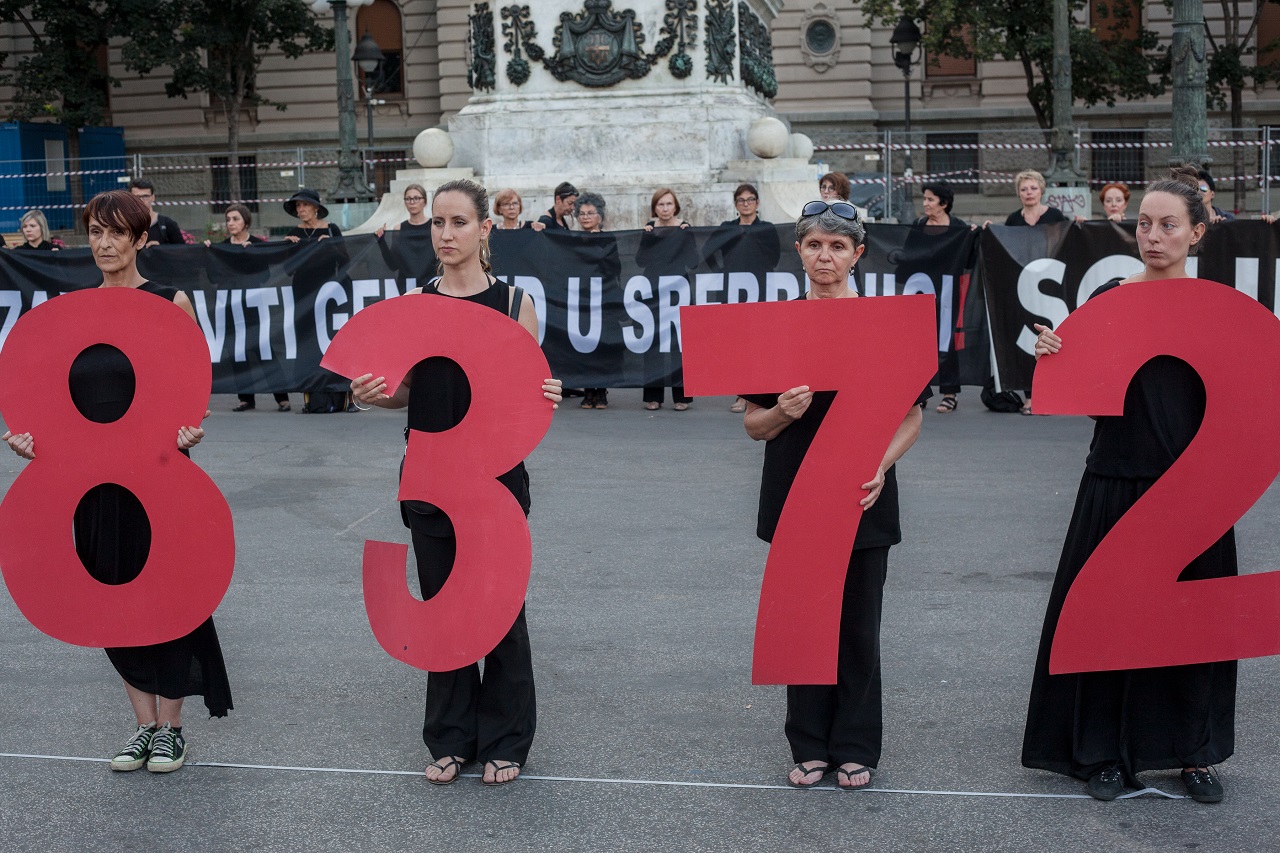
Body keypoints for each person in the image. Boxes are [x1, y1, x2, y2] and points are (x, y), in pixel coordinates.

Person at [1023, 165, 1232, 805]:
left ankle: (1191, 753)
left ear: (1197, 233)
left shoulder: (1220, 311)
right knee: (1105, 625)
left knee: (1195, 627)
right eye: (1144, 223)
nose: (1153, 235)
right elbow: (1088, 400)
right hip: (1116, 478)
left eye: (1169, 225)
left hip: (1197, 492)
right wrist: (1059, 357)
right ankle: (1103, 753)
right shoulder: (1110, 299)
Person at [3, 190, 232, 773]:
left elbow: (189, 387)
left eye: (115, 233)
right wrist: (31, 441)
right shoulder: (71, 313)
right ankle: (143, 724)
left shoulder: (167, 302)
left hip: (159, 473)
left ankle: (172, 727)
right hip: (90, 482)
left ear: (140, 241)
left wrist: (186, 430)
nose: (104, 244)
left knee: (173, 595)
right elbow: (52, 401)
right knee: (107, 593)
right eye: (95, 233)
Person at [349, 179, 563, 787]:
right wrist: (375, 395)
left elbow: (523, 395)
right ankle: (449, 738)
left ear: (484, 229)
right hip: (428, 477)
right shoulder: (416, 302)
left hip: (494, 483)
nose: (445, 234)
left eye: (458, 223)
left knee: (501, 614)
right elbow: (407, 394)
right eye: (437, 224)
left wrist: (546, 395)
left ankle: (506, 739)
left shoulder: (514, 302)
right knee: (443, 612)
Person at [741, 199, 927, 790]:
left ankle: (855, 746)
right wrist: (780, 412)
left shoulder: (886, 325)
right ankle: (809, 743)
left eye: (838, 246)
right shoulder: (774, 326)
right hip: (795, 491)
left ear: (858, 254)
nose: (826, 256)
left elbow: (913, 416)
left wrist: (880, 461)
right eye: (815, 244)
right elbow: (752, 425)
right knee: (803, 623)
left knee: (857, 627)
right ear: (798, 250)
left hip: (861, 494)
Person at [206, 204, 288, 413]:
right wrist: (209, 254)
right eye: (228, 220)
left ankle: (281, 397)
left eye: (235, 219)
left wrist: (250, 255)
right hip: (230, 306)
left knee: (263, 349)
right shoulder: (222, 247)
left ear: (246, 222)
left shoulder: (257, 245)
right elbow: (213, 277)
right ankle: (246, 398)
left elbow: (265, 276)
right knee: (237, 351)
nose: (231, 223)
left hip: (253, 306)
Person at [715, 183, 777, 413]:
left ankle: (753, 396)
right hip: (733, 291)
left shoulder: (767, 228)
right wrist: (721, 271)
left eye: (750, 200)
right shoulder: (726, 228)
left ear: (757, 203)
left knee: (758, 343)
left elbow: (774, 256)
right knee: (738, 345)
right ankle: (741, 394)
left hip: (759, 290)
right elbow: (709, 251)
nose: (746, 204)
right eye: (741, 200)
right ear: (735, 204)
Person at [638, 187, 695, 411]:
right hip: (653, 291)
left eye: (669, 204)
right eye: (660, 204)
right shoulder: (649, 230)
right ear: (654, 208)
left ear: (676, 206)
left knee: (677, 344)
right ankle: (653, 396)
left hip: (678, 291)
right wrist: (648, 238)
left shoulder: (684, 228)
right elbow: (641, 260)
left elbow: (693, 261)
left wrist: (685, 236)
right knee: (653, 343)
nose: (665, 208)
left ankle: (681, 396)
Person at [913, 181, 967, 414]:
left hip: (949, 292)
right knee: (920, 344)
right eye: (924, 199)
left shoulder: (959, 228)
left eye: (930, 199)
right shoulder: (918, 225)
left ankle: (949, 392)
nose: (925, 204)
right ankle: (921, 392)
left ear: (943, 204)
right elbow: (906, 257)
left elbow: (969, 260)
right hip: (921, 293)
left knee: (947, 342)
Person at [573, 191, 615, 409]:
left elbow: (614, 268)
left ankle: (602, 392)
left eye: (590, 213)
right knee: (585, 347)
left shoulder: (608, 240)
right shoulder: (570, 241)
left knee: (603, 348)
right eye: (581, 213)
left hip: (603, 299)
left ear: (600, 215)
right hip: (581, 299)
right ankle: (588, 392)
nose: (585, 217)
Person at [375, 183, 439, 290]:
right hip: (407, 287)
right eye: (408, 199)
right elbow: (393, 264)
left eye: (416, 198)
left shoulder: (435, 226)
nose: (412, 202)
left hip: (431, 285)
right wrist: (381, 241)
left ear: (425, 202)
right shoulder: (399, 228)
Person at [128, 179, 185, 247]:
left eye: (145, 196)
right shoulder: (125, 225)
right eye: (136, 197)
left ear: (153, 197)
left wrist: (160, 249)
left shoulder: (168, 224)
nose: (141, 200)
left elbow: (182, 252)